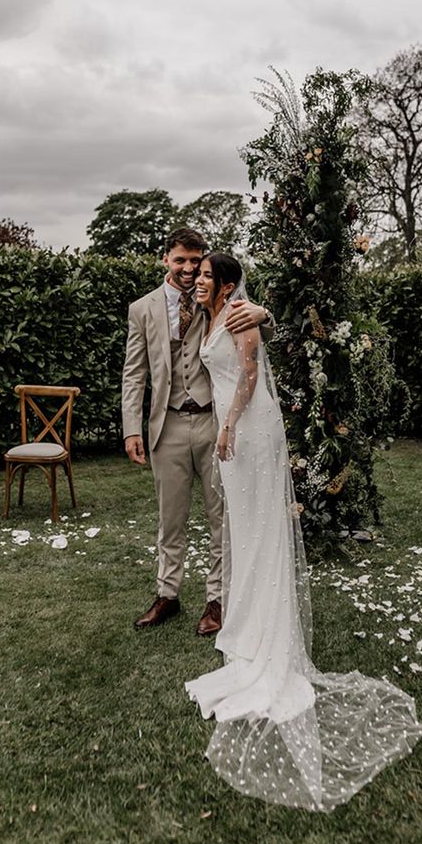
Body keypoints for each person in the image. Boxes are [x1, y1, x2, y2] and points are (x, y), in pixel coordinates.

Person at [185, 252, 422, 812]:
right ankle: (247, 635)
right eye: (193, 276)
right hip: (232, 429)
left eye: (203, 276)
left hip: (246, 428)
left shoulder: (241, 312)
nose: (196, 282)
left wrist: (226, 428)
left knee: (262, 536)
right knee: (245, 537)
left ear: (223, 283)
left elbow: (247, 374)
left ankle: (271, 649)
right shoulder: (213, 315)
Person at [121, 227, 273, 634]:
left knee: (219, 516)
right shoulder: (143, 309)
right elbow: (134, 373)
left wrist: (265, 312)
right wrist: (130, 427)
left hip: (213, 420)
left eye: (196, 260)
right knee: (170, 519)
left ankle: (217, 600)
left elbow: (252, 341)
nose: (190, 270)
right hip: (166, 424)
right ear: (165, 260)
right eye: (181, 260)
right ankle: (167, 595)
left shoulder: (217, 296)